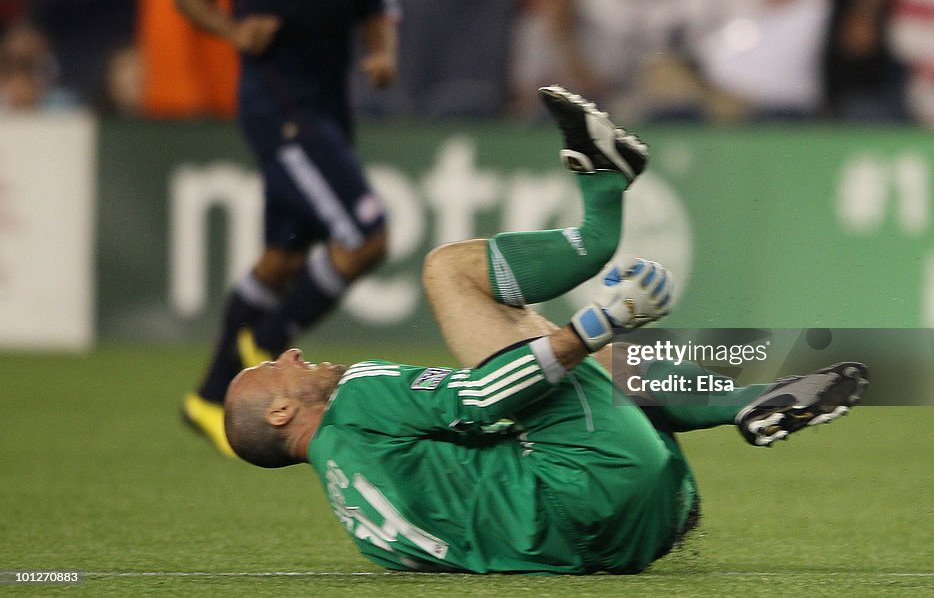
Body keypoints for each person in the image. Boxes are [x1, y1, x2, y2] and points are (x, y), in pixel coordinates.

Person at [223, 86, 869, 573]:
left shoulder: (365, 531)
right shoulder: (355, 398)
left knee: (565, 371)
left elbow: (479, 489)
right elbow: (483, 398)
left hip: (629, 541)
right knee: (451, 273)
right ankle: (602, 204)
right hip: (601, 481)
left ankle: (747, 403)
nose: (294, 351)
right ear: (281, 411)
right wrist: (594, 322)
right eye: (278, 367)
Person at [175, 0, 401, 456]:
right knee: (367, 237)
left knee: (283, 258)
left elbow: (379, 5)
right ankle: (269, 339)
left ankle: (207, 397)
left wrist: (382, 53)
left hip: (329, 110)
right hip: (279, 108)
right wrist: (233, 29)